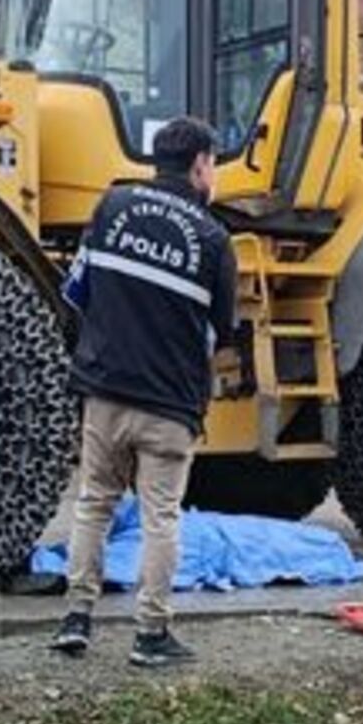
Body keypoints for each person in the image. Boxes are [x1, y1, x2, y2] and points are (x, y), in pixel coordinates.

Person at [51, 117, 237, 667]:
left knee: (93, 506)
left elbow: (77, 293)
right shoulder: (212, 238)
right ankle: (150, 634)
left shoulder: (111, 208)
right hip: (169, 405)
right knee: (161, 518)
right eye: (214, 165)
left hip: (104, 391)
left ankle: (76, 619)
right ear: (201, 164)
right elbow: (222, 330)